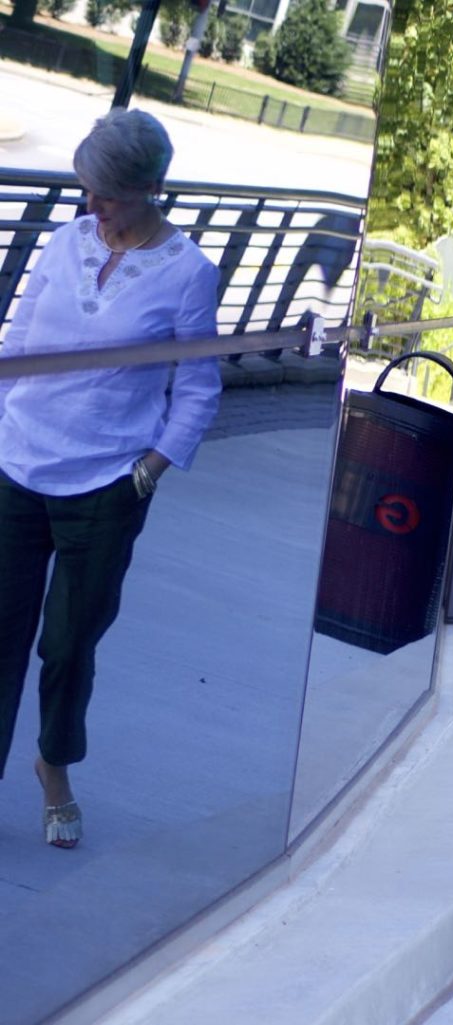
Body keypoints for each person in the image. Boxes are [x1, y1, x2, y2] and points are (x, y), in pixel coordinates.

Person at [0, 108, 221, 848]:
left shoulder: (189, 274)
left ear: (151, 188)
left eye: (106, 194)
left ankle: (53, 765)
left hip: (103, 485)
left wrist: (149, 471)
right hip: (16, 465)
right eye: (85, 188)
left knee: (68, 643)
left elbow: (196, 387)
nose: (90, 206)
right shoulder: (66, 242)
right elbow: (22, 338)